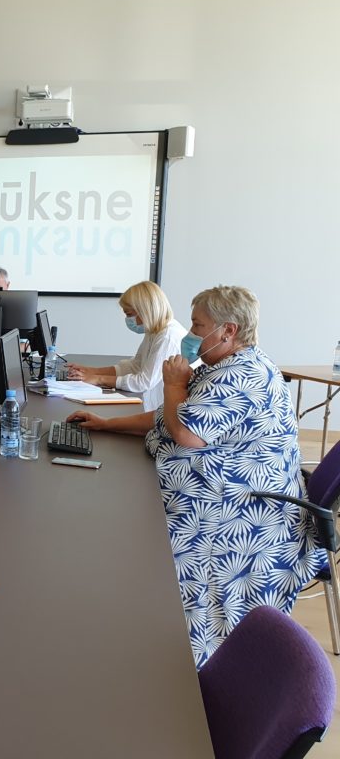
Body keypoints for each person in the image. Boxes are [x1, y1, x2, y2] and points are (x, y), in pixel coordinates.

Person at [67, 285, 326, 668]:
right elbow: (168, 418)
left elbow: (187, 433)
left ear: (228, 331)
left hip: (241, 514)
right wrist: (108, 424)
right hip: (227, 493)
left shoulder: (243, 375)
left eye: (198, 325)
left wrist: (174, 385)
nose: (190, 333)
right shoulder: (223, 366)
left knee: (119, 517)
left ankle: (180, 658)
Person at [65, 280, 187, 410]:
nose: (128, 320)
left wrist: (98, 379)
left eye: (129, 314)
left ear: (145, 311)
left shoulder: (168, 337)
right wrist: (91, 371)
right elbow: (135, 366)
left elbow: (143, 382)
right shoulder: (154, 331)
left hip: (167, 413)